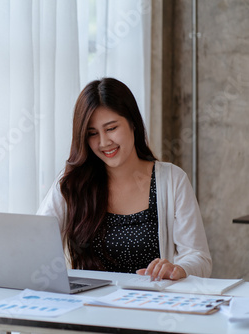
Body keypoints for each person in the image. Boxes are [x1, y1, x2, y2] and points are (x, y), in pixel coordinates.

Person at [37, 77, 212, 280]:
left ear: (133, 123)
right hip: (91, 306)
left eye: (111, 128)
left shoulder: (172, 180)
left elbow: (200, 258)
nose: (104, 142)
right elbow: (37, 243)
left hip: (151, 306)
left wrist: (178, 269)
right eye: (92, 133)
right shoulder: (74, 183)